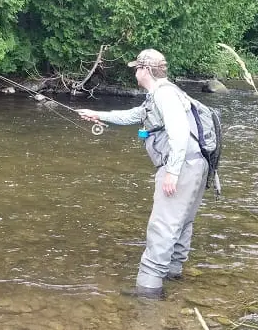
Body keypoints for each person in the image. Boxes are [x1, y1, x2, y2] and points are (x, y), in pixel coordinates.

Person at [76, 48, 209, 300]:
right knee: (181, 222)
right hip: (195, 164)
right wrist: (97, 114)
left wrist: (171, 171)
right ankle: (173, 273)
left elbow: (179, 132)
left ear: (145, 70)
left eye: (136, 68)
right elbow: (134, 116)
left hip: (181, 167)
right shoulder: (162, 93)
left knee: (162, 226)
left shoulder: (164, 96)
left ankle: (148, 291)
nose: (134, 73)